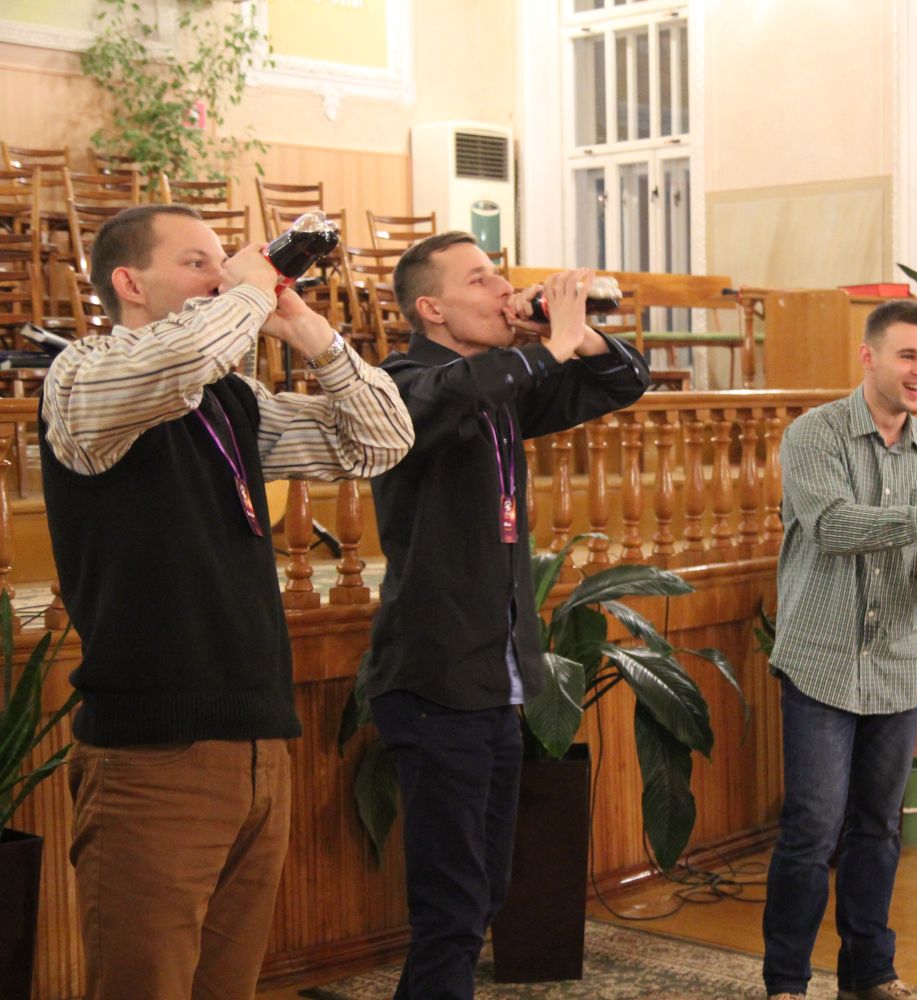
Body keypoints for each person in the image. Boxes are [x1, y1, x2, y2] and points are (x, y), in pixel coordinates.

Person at [40, 204, 414, 1000]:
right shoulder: (82, 376)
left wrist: (307, 329)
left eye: (225, 260)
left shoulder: (233, 401)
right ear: (129, 282)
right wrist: (247, 289)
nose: (223, 275)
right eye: (198, 263)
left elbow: (382, 440)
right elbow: (173, 364)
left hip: (256, 744)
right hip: (153, 755)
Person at [364, 232, 649, 999]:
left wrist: (577, 337)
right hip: (434, 679)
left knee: (482, 897)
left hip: (494, 678)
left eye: (500, 276)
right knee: (452, 910)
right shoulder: (399, 385)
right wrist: (544, 349)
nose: (502, 290)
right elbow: (452, 396)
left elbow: (624, 381)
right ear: (431, 308)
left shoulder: (503, 389)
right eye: (481, 279)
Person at [762, 300, 917, 1000]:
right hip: (822, 662)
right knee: (811, 830)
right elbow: (834, 527)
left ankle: (868, 972)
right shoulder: (815, 434)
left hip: (897, 665)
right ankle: (786, 982)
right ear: (868, 357)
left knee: (877, 829)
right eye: (908, 355)